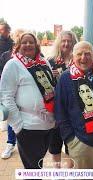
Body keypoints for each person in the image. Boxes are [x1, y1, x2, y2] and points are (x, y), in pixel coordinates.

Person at [0, 32, 55, 169]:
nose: (28, 44)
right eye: (24, 42)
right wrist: (18, 126)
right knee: (32, 169)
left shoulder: (44, 62)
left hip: (48, 124)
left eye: (31, 42)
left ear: (36, 46)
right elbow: (6, 96)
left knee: (39, 164)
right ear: (18, 46)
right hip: (28, 127)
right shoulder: (13, 65)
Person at [54, 41, 93, 170]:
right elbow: (60, 111)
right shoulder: (65, 78)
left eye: (87, 54)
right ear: (73, 56)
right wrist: (71, 139)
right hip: (81, 141)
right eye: (79, 54)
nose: (83, 58)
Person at [47, 30, 77, 168]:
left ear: (73, 43)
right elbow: (44, 86)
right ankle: (57, 171)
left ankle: (69, 171)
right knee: (55, 143)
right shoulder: (50, 62)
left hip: (73, 109)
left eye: (69, 41)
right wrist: (50, 76)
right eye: (63, 41)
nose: (66, 43)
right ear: (59, 42)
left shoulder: (79, 60)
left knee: (72, 142)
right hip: (55, 108)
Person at [0, 29, 25, 159]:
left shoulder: (34, 55)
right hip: (11, 94)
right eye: (19, 38)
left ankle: (24, 143)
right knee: (12, 118)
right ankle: (10, 143)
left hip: (26, 95)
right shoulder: (6, 55)